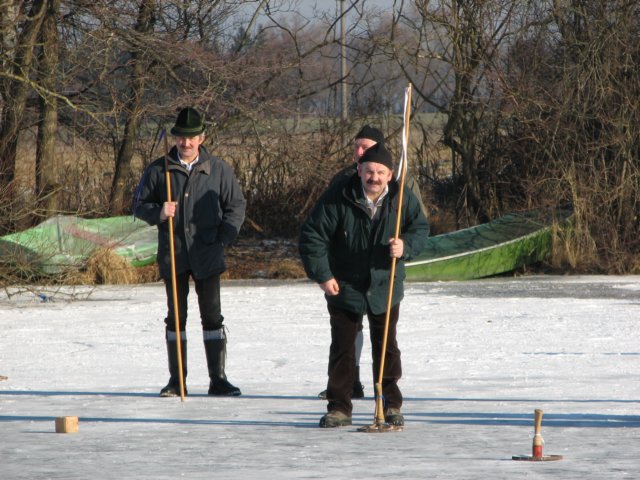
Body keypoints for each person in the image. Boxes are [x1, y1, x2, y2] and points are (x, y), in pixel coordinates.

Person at [299, 142, 429, 428]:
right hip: (344, 284)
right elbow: (312, 236)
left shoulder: (401, 198)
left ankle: (390, 404)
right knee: (343, 348)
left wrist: (405, 247)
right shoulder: (339, 196)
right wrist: (323, 275)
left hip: (385, 283)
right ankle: (340, 407)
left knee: (387, 347)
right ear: (359, 170)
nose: (374, 177)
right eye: (369, 171)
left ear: (390, 174)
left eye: (380, 172)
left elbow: (420, 229)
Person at [133, 107, 246, 397]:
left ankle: (218, 379)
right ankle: (177, 380)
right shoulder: (159, 169)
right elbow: (138, 206)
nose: (186, 143)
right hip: (174, 254)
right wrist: (159, 212)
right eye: (181, 138)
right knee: (176, 317)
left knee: (212, 317)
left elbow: (236, 206)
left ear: (202, 138)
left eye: (192, 138)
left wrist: (224, 237)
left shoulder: (218, 169)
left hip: (208, 253)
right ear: (175, 138)